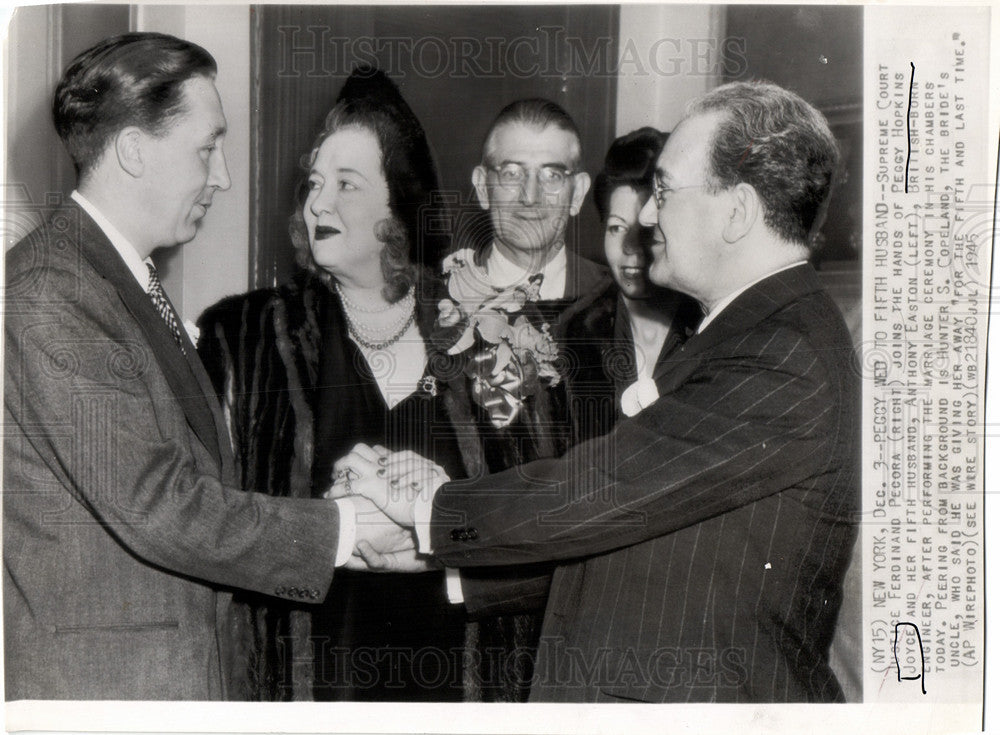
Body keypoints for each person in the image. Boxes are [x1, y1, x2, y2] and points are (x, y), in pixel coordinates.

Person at [345, 80, 860, 703]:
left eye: (664, 191)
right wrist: (445, 564)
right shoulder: (751, 332)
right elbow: (651, 542)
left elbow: (606, 488)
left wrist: (435, 509)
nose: (646, 215)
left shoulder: (782, 354)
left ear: (738, 211)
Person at [3, 33, 402, 701]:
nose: (220, 175)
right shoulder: (53, 291)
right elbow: (157, 504)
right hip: (109, 696)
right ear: (134, 150)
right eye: (207, 148)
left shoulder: (115, 281)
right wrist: (345, 528)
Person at [197, 67, 465, 701]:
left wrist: (440, 505)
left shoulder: (476, 329)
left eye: (347, 184)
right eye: (315, 183)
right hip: (307, 675)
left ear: (399, 204)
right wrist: (335, 513)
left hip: (454, 671)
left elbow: (528, 505)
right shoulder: (245, 335)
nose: (318, 203)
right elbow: (206, 514)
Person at [439, 98, 614, 701]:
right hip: (453, 625)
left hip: (586, 617)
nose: (532, 195)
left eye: (553, 174)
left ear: (578, 189)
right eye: (512, 173)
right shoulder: (429, 309)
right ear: (483, 187)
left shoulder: (619, 310)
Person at [563, 127, 700, 438]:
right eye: (615, 228)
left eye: (646, 230)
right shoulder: (574, 332)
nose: (628, 248)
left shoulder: (710, 325)